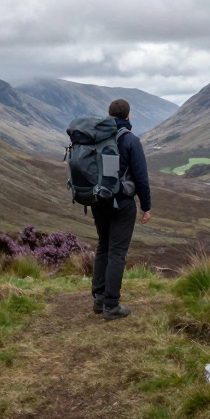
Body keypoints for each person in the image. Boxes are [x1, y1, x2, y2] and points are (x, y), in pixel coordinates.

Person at [92, 98, 152, 320]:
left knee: (103, 247)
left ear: (110, 115)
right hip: (122, 204)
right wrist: (146, 207)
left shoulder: (97, 138)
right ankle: (111, 306)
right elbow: (141, 177)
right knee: (117, 252)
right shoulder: (130, 140)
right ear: (127, 116)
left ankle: (98, 299)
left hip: (98, 201)